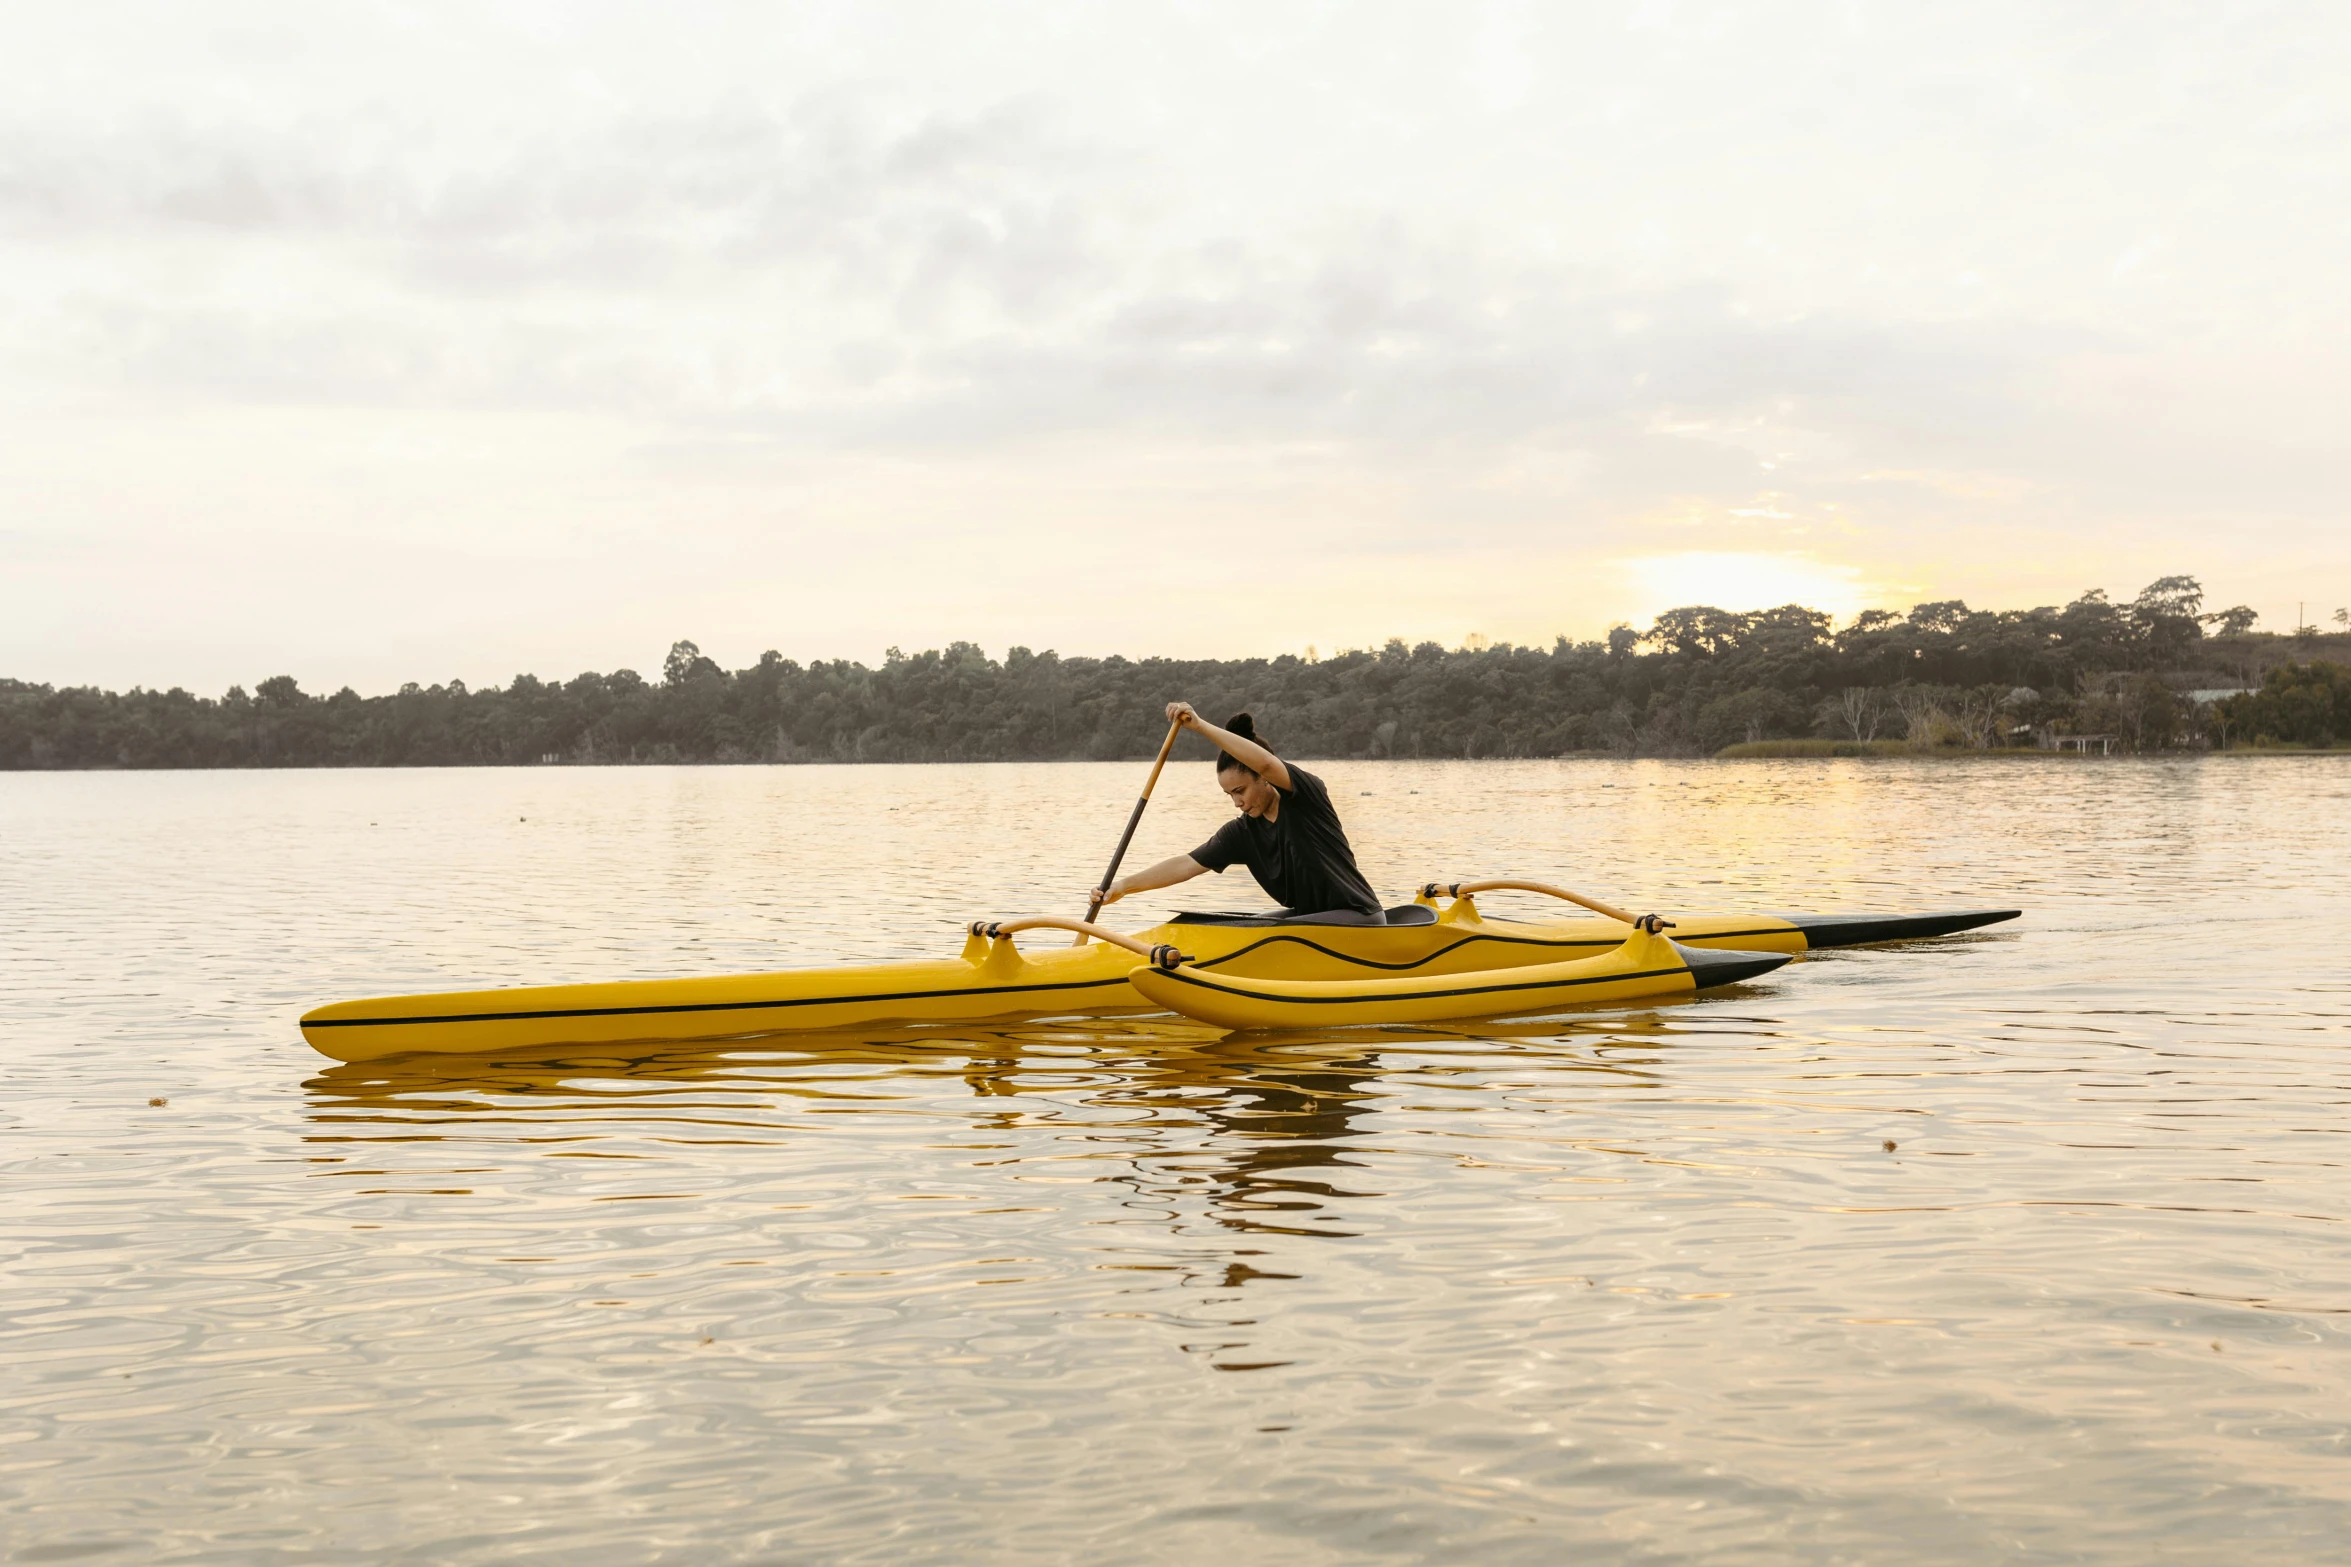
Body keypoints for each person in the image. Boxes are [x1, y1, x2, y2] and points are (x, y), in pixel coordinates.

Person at [1093, 702, 1386, 924]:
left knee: (1267, 933)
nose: (1237, 802)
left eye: (1240, 791)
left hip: (1358, 918)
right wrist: (1121, 887)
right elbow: (1186, 864)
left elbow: (1269, 764)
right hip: (1308, 922)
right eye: (1229, 795)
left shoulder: (1306, 797)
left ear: (1263, 778)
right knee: (1219, 925)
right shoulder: (1242, 833)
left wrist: (1201, 727)